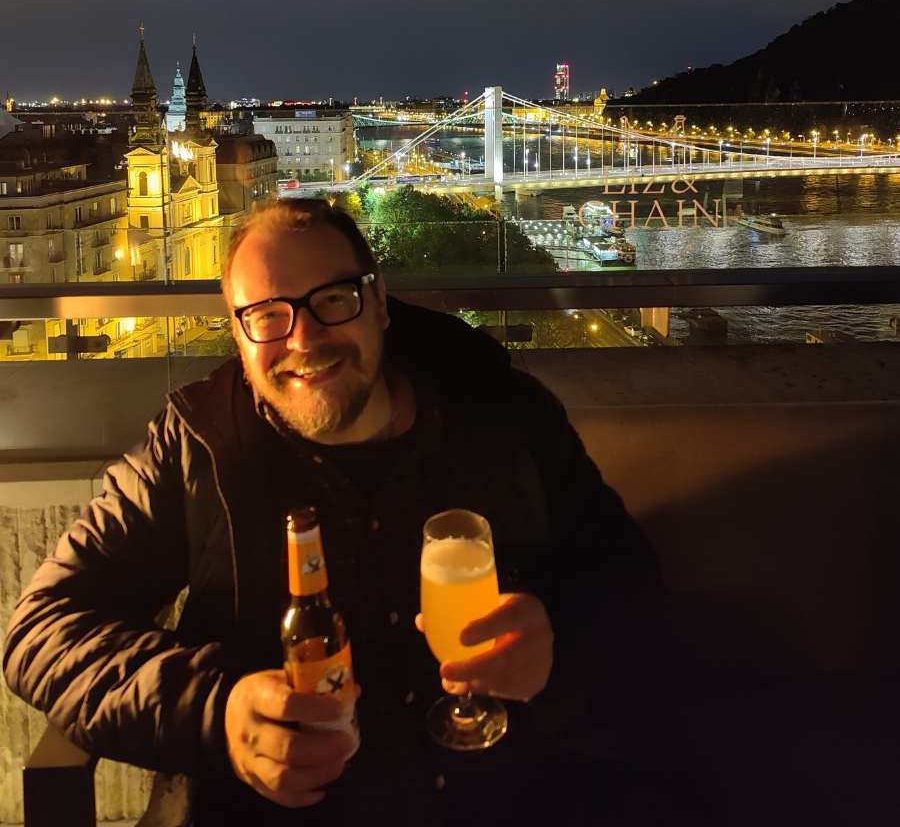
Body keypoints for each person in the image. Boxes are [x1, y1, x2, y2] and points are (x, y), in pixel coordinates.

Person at [4, 198, 675, 826]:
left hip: (507, 799)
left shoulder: (509, 417)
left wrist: (560, 648)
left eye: (332, 300)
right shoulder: (195, 448)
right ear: (238, 335)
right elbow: (41, 631)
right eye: (267, 315)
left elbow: (632, 589)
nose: (304, 339)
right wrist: (217, 709)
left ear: (378, 301)